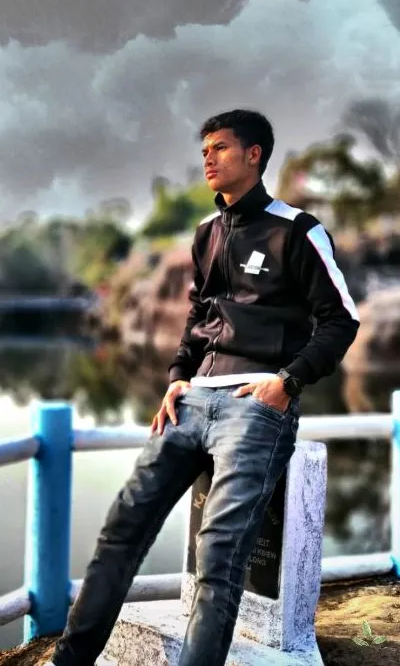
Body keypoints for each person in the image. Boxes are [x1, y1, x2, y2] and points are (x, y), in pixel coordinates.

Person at [48, 109, 360, 666]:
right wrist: (175, 379)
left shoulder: (298, 230)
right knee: (121, 531)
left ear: (254, 154)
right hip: (190, 404)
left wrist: (288, 383)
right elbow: (200, 318)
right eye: (204, 151)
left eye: (219, 148)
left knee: (219, 557)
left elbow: (341, 319)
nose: (208, 159)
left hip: (254, 407)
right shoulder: (207, 234)